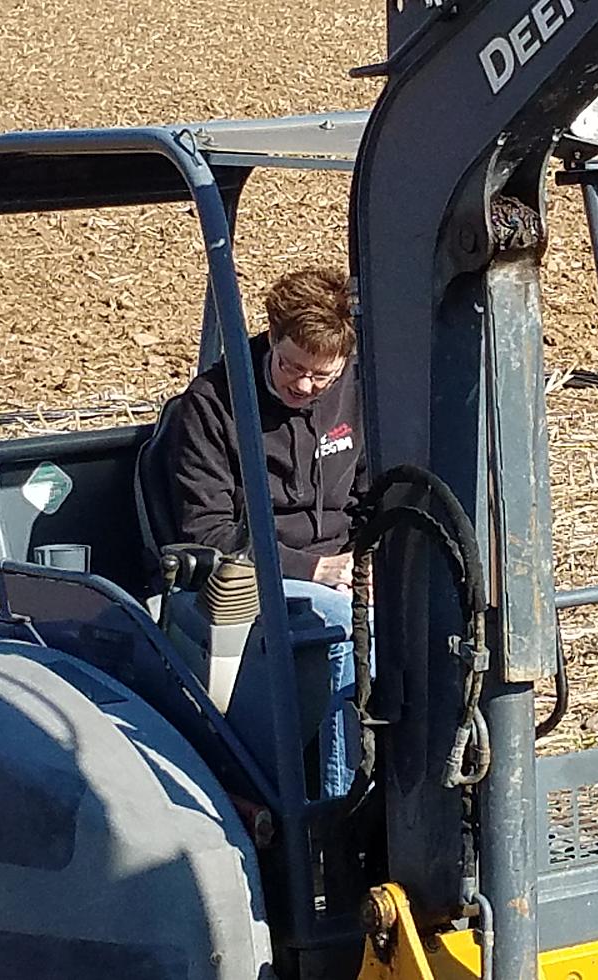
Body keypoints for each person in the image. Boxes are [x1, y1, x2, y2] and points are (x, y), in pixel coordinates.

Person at [165, 267, 366, 798]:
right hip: (255, 577)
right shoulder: (214, 404)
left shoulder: (361, 390)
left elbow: (378, 494)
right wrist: (310, 569)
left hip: (346, 567)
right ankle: (335, 811)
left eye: (320, 377)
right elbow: (207, 530)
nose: (303, 385)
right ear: (271, 338)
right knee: (343, 630)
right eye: (290, 366)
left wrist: (367, 559)